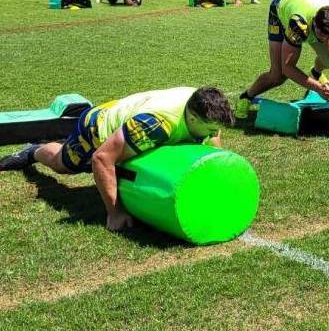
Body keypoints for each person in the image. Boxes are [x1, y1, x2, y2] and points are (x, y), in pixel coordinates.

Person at [0, 87, 234, 230]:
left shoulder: (206, 107)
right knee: (64, 164)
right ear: (192, 118)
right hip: (97, 127)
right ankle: (34, 150)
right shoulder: (154, 125)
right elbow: (102, 159)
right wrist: (115, 213)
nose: (215, 134)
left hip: (131, 115)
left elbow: (213, 142)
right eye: (211, 129)